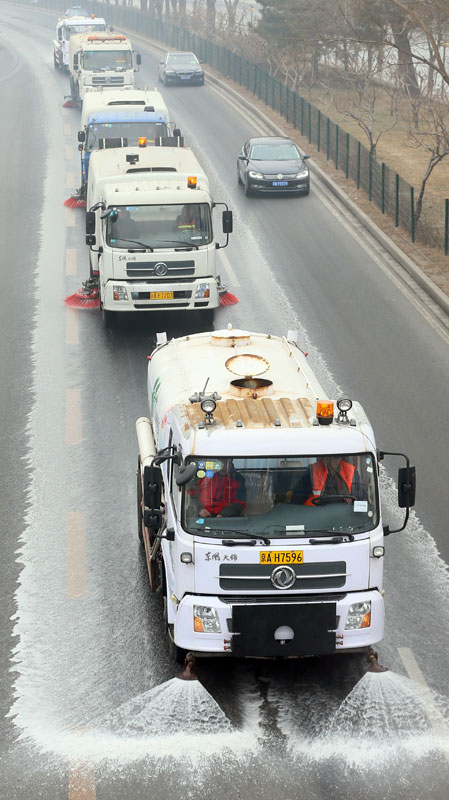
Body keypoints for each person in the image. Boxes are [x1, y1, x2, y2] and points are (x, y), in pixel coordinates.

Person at [294, 456, 366, 505]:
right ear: (323, 458)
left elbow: (361, 493)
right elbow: (298, 496)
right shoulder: (313, 471)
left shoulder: (351, 471)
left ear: (339, 459)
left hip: (345, 513)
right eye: (328, 458)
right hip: (317, 514)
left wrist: (352, 498)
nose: (331, 463)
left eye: (335, 459)